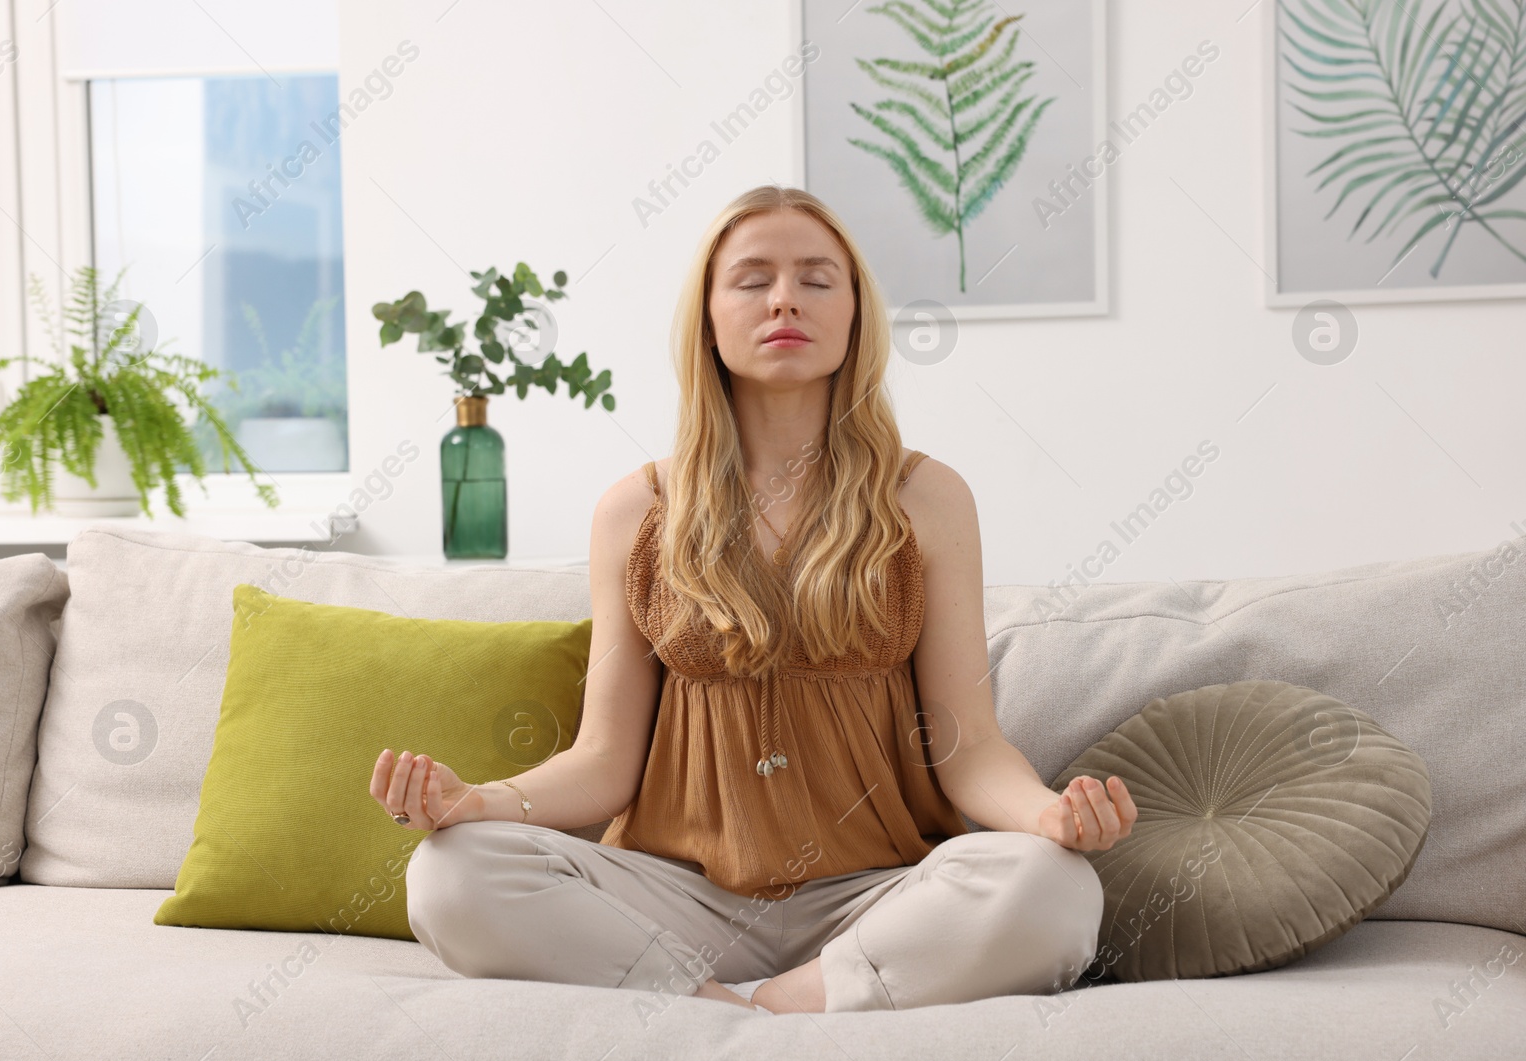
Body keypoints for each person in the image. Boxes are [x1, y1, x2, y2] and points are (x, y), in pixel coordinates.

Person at [369, 184, 1137, 1016]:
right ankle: (711, 998)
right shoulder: (635, 510)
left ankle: (774, 1009)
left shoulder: (928, 497)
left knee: (1056, 887)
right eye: (751, 279)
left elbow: (968, 746)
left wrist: (1048, 816)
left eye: (816, 278)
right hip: (677, 898)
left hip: (877, 899)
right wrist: (475, 801)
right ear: (707, 315)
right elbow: (604, 761)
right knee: (449, 870)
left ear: (854, 314)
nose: (784, 299)